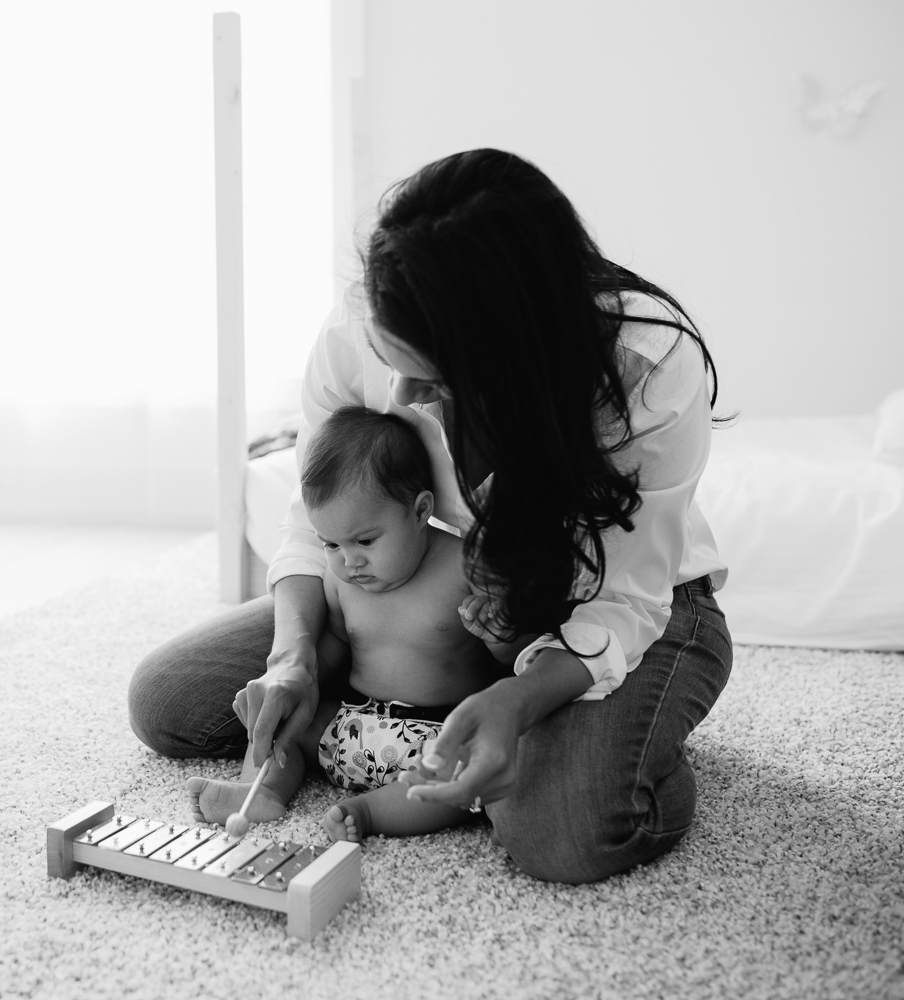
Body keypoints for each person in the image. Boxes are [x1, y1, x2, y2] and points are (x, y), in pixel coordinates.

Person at [129, 148, 733, 884]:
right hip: (410, 595)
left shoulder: (645, 368)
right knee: (168, 703)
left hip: (619, 607)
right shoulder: (363, 323)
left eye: (437, 373)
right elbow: (310, 521)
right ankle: (555, 732)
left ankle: (635, 746)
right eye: (396, 359)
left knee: (560, 832)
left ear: (516, 350)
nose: (406, 393)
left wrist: (518, 695)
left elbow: (626, 597)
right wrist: (293, 656)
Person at [185, 406, 517, 842]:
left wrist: (500, 637)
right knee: (287, 720)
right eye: (331, 544)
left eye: (365, 541)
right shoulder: (341, 579)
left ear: (420, 511)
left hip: (437, 737)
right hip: (353, 725)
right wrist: (292, 689)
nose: (350, 561)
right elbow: (337, 641)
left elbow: (510, 660)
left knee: (457, 770)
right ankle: (260, 789)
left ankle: (368, 813)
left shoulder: (468, 568)